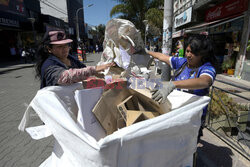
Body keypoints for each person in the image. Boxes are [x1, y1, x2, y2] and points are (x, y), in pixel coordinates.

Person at [146, 35, 217, 138]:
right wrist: (147, 52)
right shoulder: (182, 63)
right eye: (188, 51)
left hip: (193, 118)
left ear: (203, 54)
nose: (189, 55)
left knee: (188, 146)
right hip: (175, 113)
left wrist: (173, 84)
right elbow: (162, 56)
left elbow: (205, 81)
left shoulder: (207, 68)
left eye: (194, 53)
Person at [35, 30, 113, 89]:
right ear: (49, 49)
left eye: (66, 45)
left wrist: (98, 74)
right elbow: (66, 76)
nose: (65, 49)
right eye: (59, 47)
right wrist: (94, 69)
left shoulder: (70, 58)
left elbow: (83, 68)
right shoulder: (49, 64)